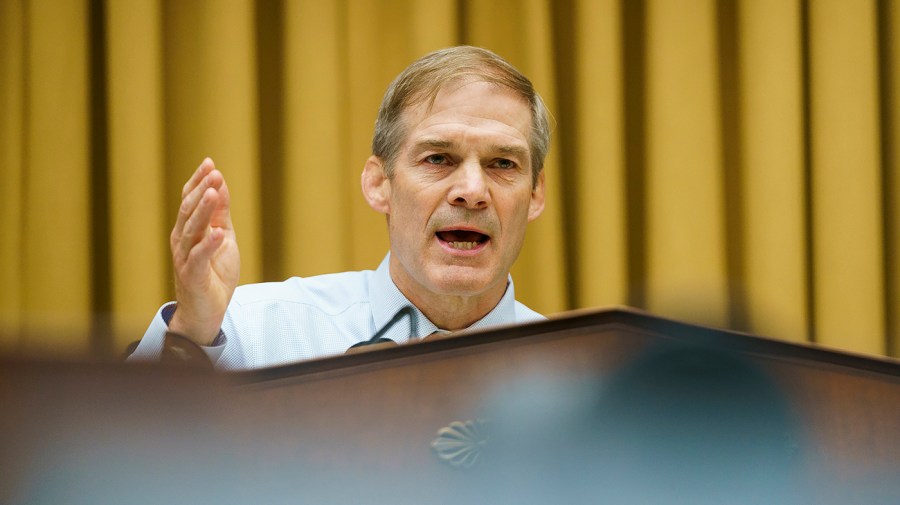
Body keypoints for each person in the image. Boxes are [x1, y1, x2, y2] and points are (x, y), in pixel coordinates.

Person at [129, 46, 550, 369]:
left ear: (534, 194)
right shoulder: (252, 330)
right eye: (438, 159)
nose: (472, 191)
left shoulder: (581, 369)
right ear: (378, 184)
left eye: (502, 164)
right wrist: (192, 330)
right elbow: (120, 459)